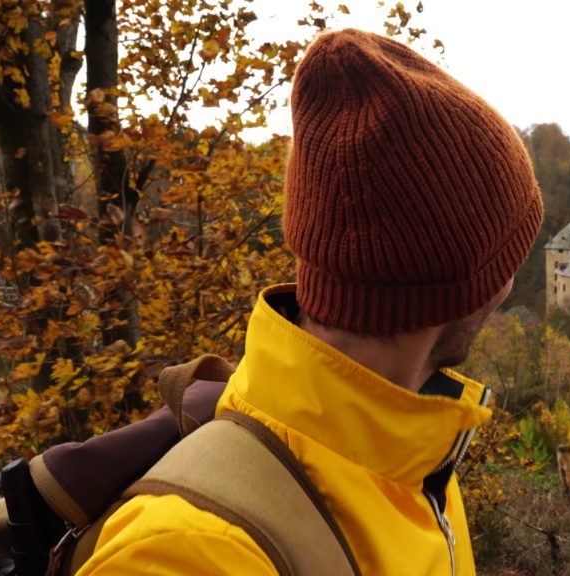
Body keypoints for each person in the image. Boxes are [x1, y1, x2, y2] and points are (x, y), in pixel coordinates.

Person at [77, 28, 543, 575]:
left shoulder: (408, 452)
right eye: (510, 252)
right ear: (466, 286)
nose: (512, 278)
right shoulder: (188, 554)